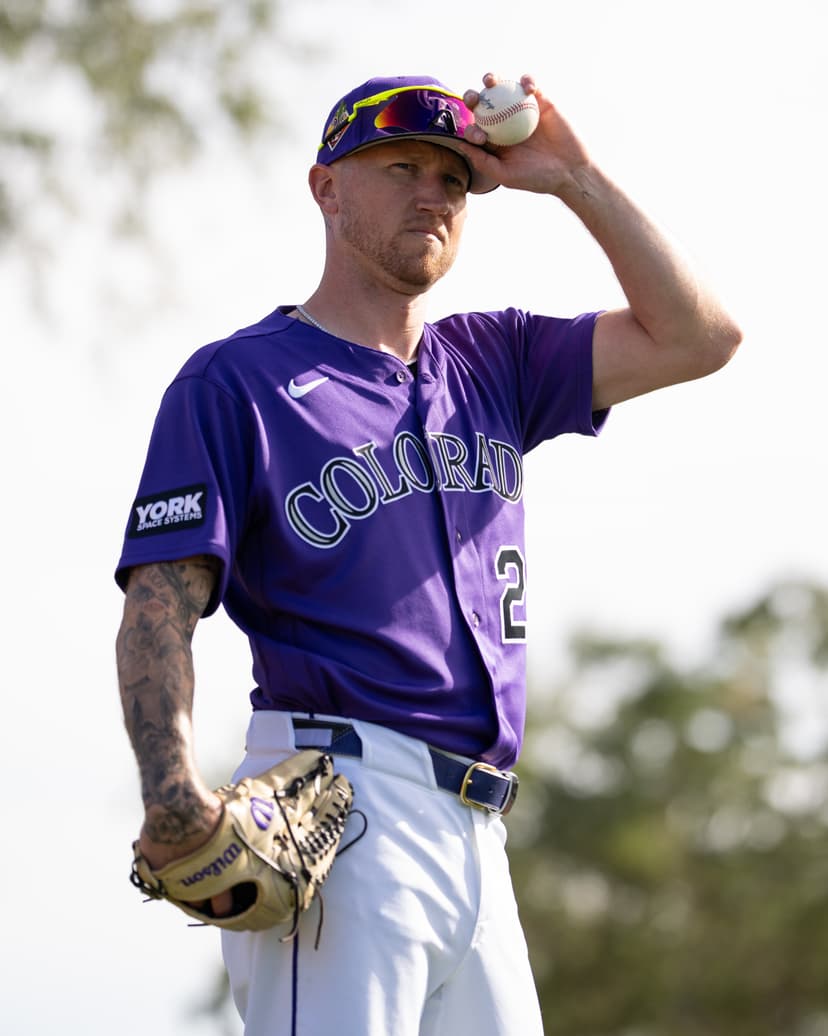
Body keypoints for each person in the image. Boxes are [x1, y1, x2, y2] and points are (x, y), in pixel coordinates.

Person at [115, 72, 741, 1035]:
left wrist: (575, 177)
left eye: (453, 180)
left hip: (480, 836)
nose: (432, 195)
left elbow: (700, 337)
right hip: (338, 812)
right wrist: (172, 795)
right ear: (326, 189)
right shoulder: (237, 381)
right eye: (400, 165)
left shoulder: (494, 363)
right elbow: (159, 607)